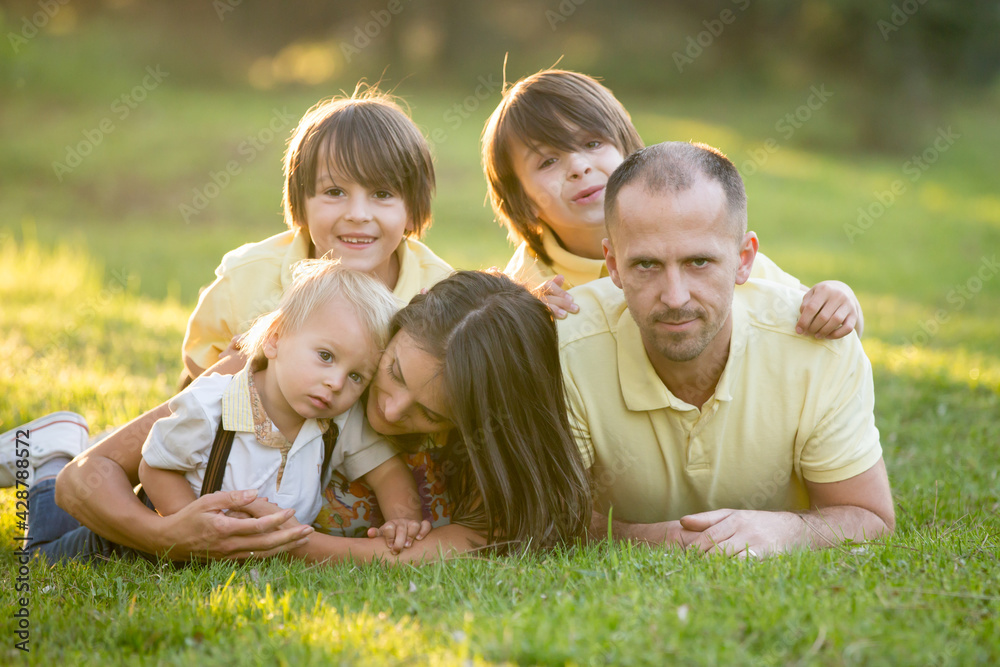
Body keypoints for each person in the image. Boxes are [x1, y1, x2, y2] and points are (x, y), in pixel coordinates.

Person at [16, 271, 591, 563]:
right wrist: (173, 536)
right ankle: (48, 455)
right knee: (45, 538)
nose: (389, 410)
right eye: (391, 373)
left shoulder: (491, 466)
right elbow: (89, 480)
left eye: (428, 412)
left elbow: (410, 559)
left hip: (235, 523)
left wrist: (276, 541)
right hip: (153, 507)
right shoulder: (279, 373)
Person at [560, 141, 894, 557]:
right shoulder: (564, 351)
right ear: (612, 264)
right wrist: (668, 540)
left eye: (699, 262)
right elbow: (548, 521)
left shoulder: (817, 348)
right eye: (646, 265)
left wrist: (786, 532)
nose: (675, 297)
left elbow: (869, 516)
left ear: (744, 258)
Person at [482, 68, 863, 339]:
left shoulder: (696, 239)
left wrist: (839, 300)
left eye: (592, 143)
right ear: (523, 201)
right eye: (548, 161)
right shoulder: (525, 285)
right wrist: (525, 321)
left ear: (630, 154)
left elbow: (801, 306)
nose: (579, 167)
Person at [182, 84, 452, 382]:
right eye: (335, 191)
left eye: (382, 193)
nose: (358, 214)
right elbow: (198, 370)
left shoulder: (440, 294)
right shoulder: (247, 279)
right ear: (301, 203)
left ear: (412, 211)